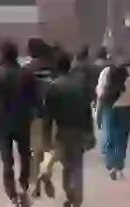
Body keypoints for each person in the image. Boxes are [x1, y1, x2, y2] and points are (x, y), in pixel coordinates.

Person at [0, 40, 36, 205]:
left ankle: (12, 193)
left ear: (2, 56)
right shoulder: (27, 75)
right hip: (23, 120)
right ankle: (24, 185)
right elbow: (34, 99)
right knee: (25, 155)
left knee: (7, 160)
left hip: (2, 122)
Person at [43, 51, 93, 207]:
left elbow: (48, 115)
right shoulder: (80, 85)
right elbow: (87, 110)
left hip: (62, 130)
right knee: (77, 164)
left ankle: (70, 192)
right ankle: (76, 197)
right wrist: (90, 132)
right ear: (70, 65)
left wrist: (46, 137)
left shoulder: (54, 87)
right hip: (80, 129)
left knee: (67, 165)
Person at [96, 56, 130, 179]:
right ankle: (119, 166)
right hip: (126, 108)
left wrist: (97, 114)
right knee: (122, 138)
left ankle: (110, 164)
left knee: (108, 135)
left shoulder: (106, 72)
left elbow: (100, 93)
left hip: (108, 108)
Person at [24, 38, 58, 199]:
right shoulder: (53, 68)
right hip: (52, 114)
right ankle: (46, 173)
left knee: (34, 152)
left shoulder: (27, 70)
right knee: (50, 150)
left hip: (33, 115)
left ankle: (35, 185)